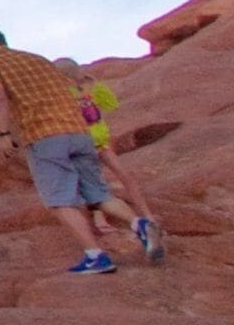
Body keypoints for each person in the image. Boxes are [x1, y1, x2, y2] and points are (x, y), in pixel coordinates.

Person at [0, 23, 159, 273]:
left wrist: (3, 133)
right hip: (79, 132)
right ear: (4, 37)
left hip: (44, 135)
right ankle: (139, 224)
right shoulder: (38, 59)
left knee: (59, 200)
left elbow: (0, 97)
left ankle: (96, 256)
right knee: (99, 194)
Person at [56, 55, 163, 225]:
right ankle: (99, 218)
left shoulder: (90, 88)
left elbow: (110, 104)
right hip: (83, 143)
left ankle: (146, 213)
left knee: (123, 175)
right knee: (93, 179)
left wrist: (95, 86)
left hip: (101, 141)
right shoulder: (62, 94)